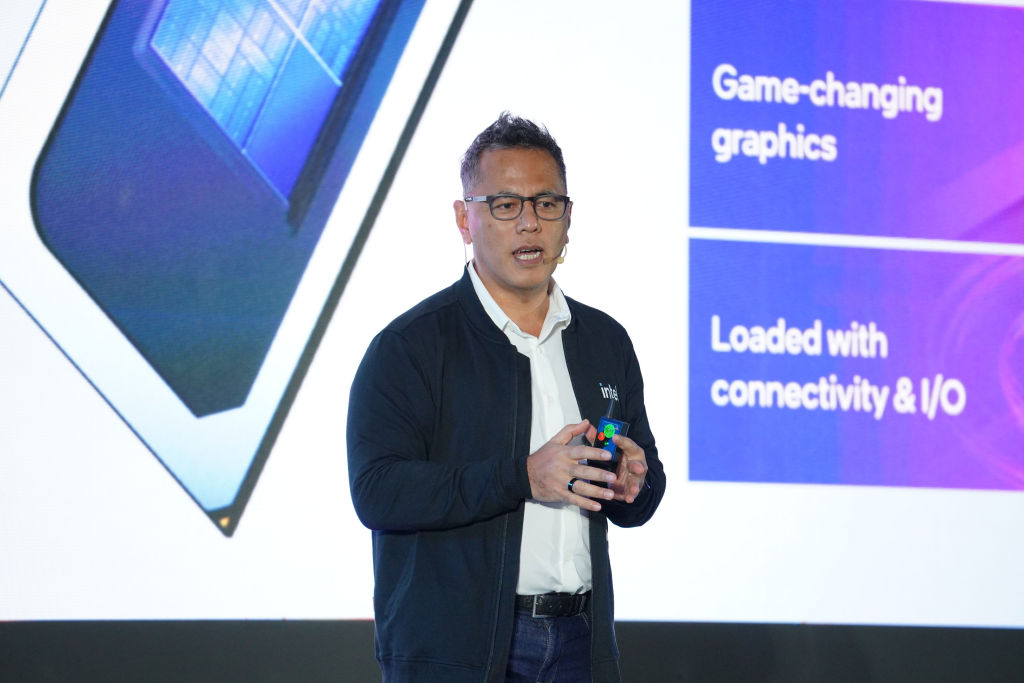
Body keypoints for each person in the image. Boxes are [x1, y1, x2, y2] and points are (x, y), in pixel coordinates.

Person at [347, 112, 666, 682]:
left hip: (581, 641)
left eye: (547, 203)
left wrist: (632, 486)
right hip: (458, 652)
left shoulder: (604, 340)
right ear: (464, 219)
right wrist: (522, 477)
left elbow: (643, 490)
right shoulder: (411, 345)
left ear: (568, 219)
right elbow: (377, 492)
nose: (529, 222)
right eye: (505, 204)